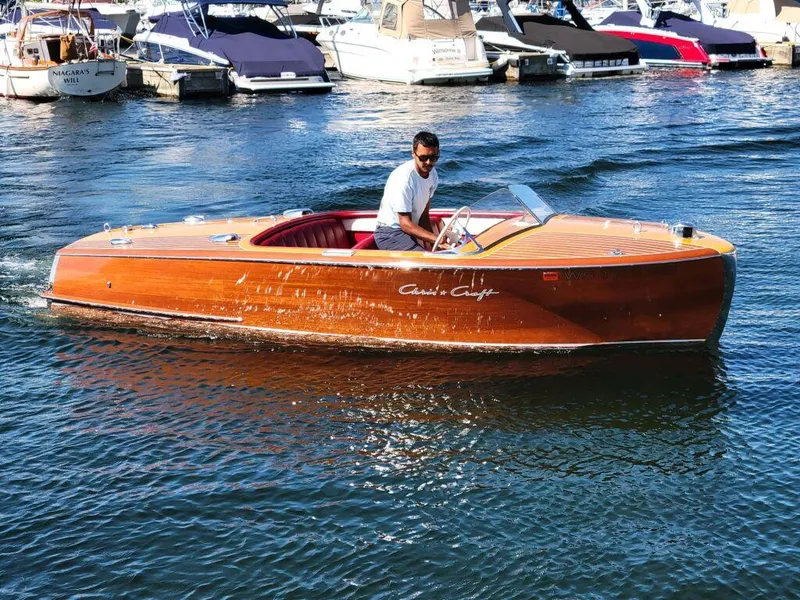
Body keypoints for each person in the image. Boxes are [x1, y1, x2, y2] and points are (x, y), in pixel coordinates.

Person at [374, 131, 444, 251]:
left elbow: (423, 216)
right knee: (424, 262)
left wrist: (436, 245)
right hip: (390, 233)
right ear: (413, 153)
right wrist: (437, 239)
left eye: (433, 157)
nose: (428, 162)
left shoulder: (433, 174)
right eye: (423, 158)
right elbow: (405, 224)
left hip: (410, 229)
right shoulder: (404, 179)